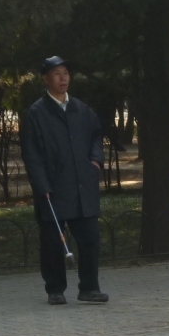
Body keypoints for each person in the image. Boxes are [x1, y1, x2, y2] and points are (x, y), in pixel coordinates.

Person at [20, 56, 109, 305]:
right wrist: (41, 185)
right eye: (57, 73)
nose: (63, 78)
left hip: (82, 185)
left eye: (66, 73)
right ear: (46, 78)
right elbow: (32, 153)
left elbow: (96, 136)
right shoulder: (37, 113)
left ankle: (89, 287)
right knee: (52, 243)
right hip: (54, 187)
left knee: (90, 238)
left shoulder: (82, 109)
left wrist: (95, 161)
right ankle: (55, 289)